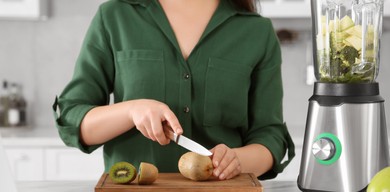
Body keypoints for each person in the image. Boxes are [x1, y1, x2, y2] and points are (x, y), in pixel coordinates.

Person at [53, 0, 295, 181]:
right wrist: (131, 111)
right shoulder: (114, 17)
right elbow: (72, 120)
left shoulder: (257, 32)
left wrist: (237, 160)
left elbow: (270, 136)